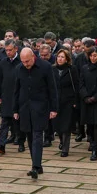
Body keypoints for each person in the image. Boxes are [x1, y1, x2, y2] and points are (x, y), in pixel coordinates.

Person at [13, 47, 58, 179]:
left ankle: (35, 167)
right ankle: (37, 164)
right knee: (30, 137)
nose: (25, 64)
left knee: (38, 135)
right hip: (24, 108)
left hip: (40, 107)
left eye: (27, 61)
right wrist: (15, 109)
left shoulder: (46, 67)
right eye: (23, 61)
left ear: (33, 57)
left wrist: (54, 108)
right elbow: (16, 90)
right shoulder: (19, 68)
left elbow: (52, 89)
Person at [0, 39, 23, 155]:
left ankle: (21, 142)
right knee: (4, 122)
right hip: (6, 96)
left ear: (16, 49)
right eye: (6, 50)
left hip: (18, 97)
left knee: (17, 123)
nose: (8, 52)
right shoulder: (3, 62)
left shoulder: (21, 62)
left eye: (10, 50)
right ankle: (1, 145)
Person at [52, 48, 79, 157]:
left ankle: (65, 149)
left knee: (66, 126)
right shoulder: (52, 69)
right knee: (57, 125)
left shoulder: (72, 69)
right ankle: (62, 141)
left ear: (67, 59)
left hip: (68, 100)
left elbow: (76, 85)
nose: (60, 59)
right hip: (56, 101)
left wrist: (75, 100)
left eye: (62, 57)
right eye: (59, 56)